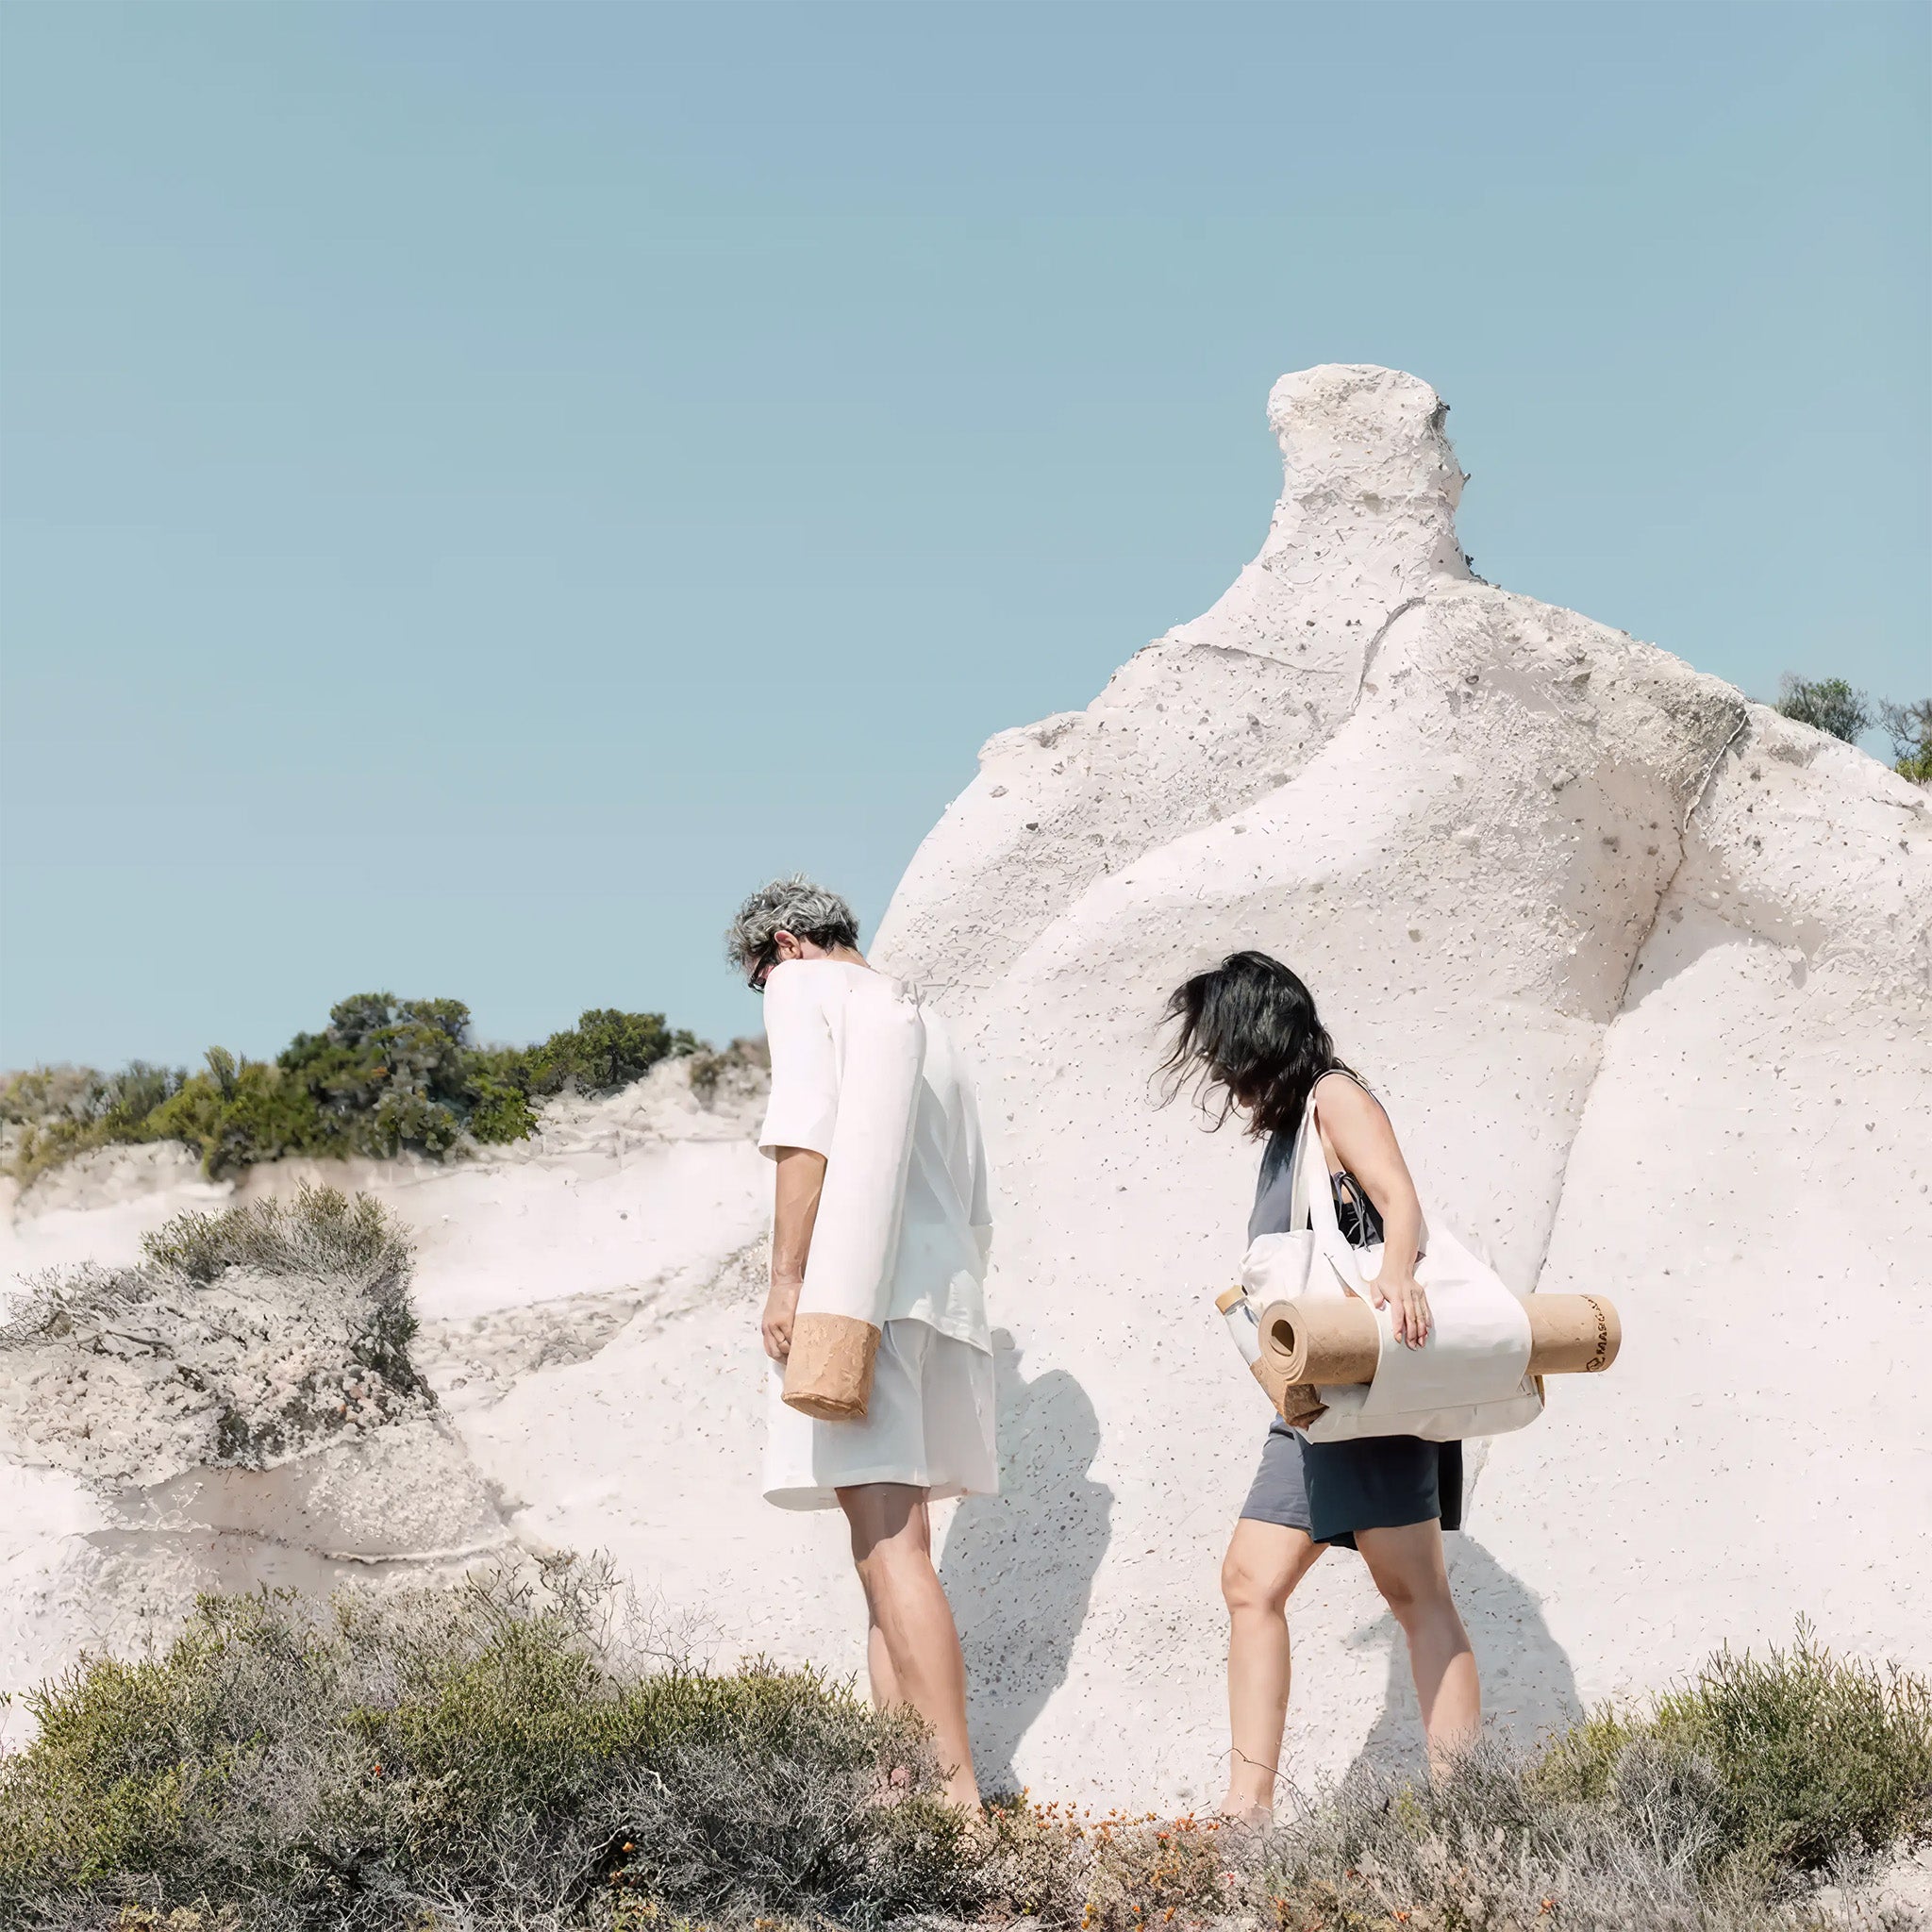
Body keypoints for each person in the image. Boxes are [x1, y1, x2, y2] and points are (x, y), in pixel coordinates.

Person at [1158, 950, 1479, 1821]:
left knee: (1414, 1595)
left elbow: (1400, 1199)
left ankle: (1467, 1811)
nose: (1218, 1069)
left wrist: (1401, 1277)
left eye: (1221, 1046)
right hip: (1307, 1402)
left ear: (1256, 1033)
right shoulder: (1288, 1131)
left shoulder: (1336, 1096)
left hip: (1368, 1387)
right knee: (1248, 1581)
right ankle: (1246, 1809)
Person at [724, 874, 996, 1813]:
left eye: (758, 977)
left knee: (889, 1550)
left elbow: (804, 1137)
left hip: (857, 1295)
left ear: (786, 944)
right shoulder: (925, 1018)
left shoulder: (809, 991)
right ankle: (899, 1784)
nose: (767, 997)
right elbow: (970, 1184)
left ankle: (956, 1798)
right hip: (938, 1294)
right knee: (885, 1545)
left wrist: (787, 1278)